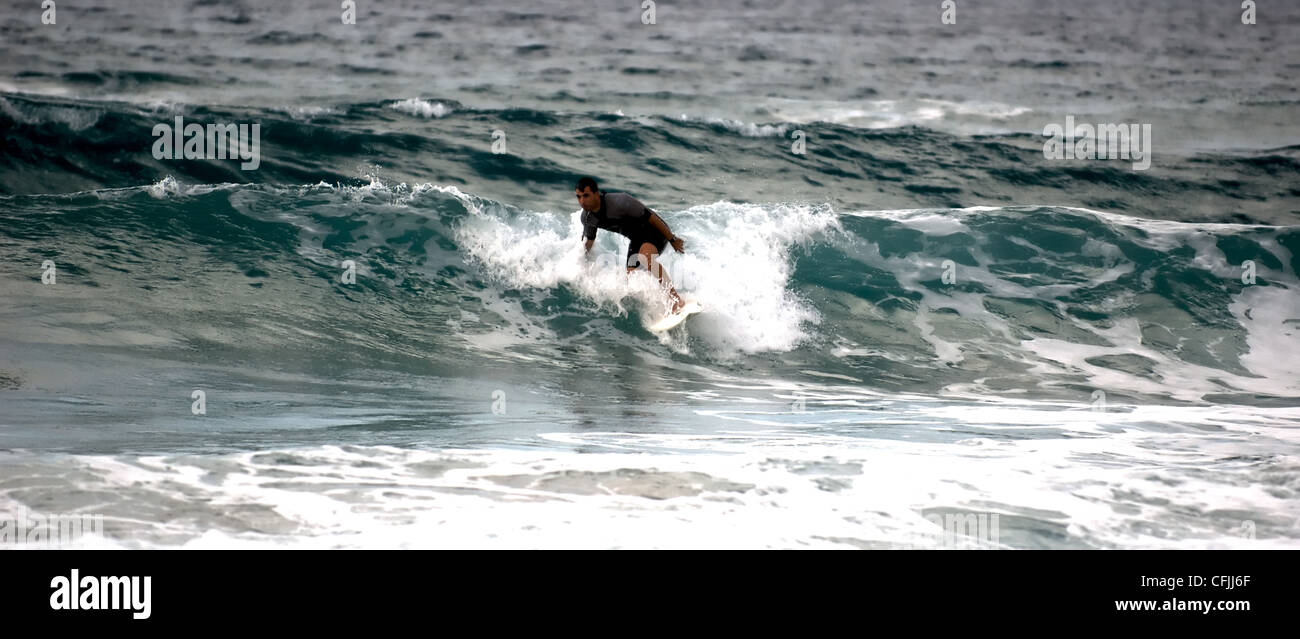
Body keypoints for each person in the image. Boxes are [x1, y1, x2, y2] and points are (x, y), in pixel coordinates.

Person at [574, 176, 686, 313]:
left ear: (596, 194)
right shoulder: (587, 218)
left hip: (656, 232)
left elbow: (651, 216)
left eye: (586, 196)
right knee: (632, 278)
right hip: (637, 239)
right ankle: (657, 304)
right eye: (578, 197)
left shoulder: (620, 201)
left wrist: (672, 239)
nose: (582, 201)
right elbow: (589, 240)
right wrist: (581, 259)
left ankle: (675, 300)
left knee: (646, 258)